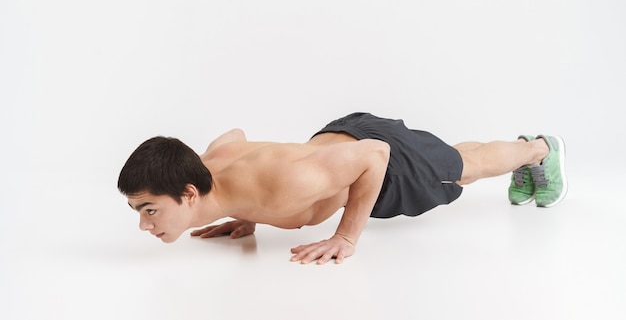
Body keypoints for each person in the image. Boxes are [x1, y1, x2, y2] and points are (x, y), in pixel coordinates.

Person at [117, 112, 567, 265]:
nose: (142, 223)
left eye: (150, 209)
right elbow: (233, 136)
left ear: (189, 193)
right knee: (453, 156)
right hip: (338, 138)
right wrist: (247, 212)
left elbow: (375, 156)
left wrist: (346, 235)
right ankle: (526, 151)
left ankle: (540, 149)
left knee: (465, 167)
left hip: (373, 156)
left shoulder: (286, 188)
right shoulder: (212, 164)